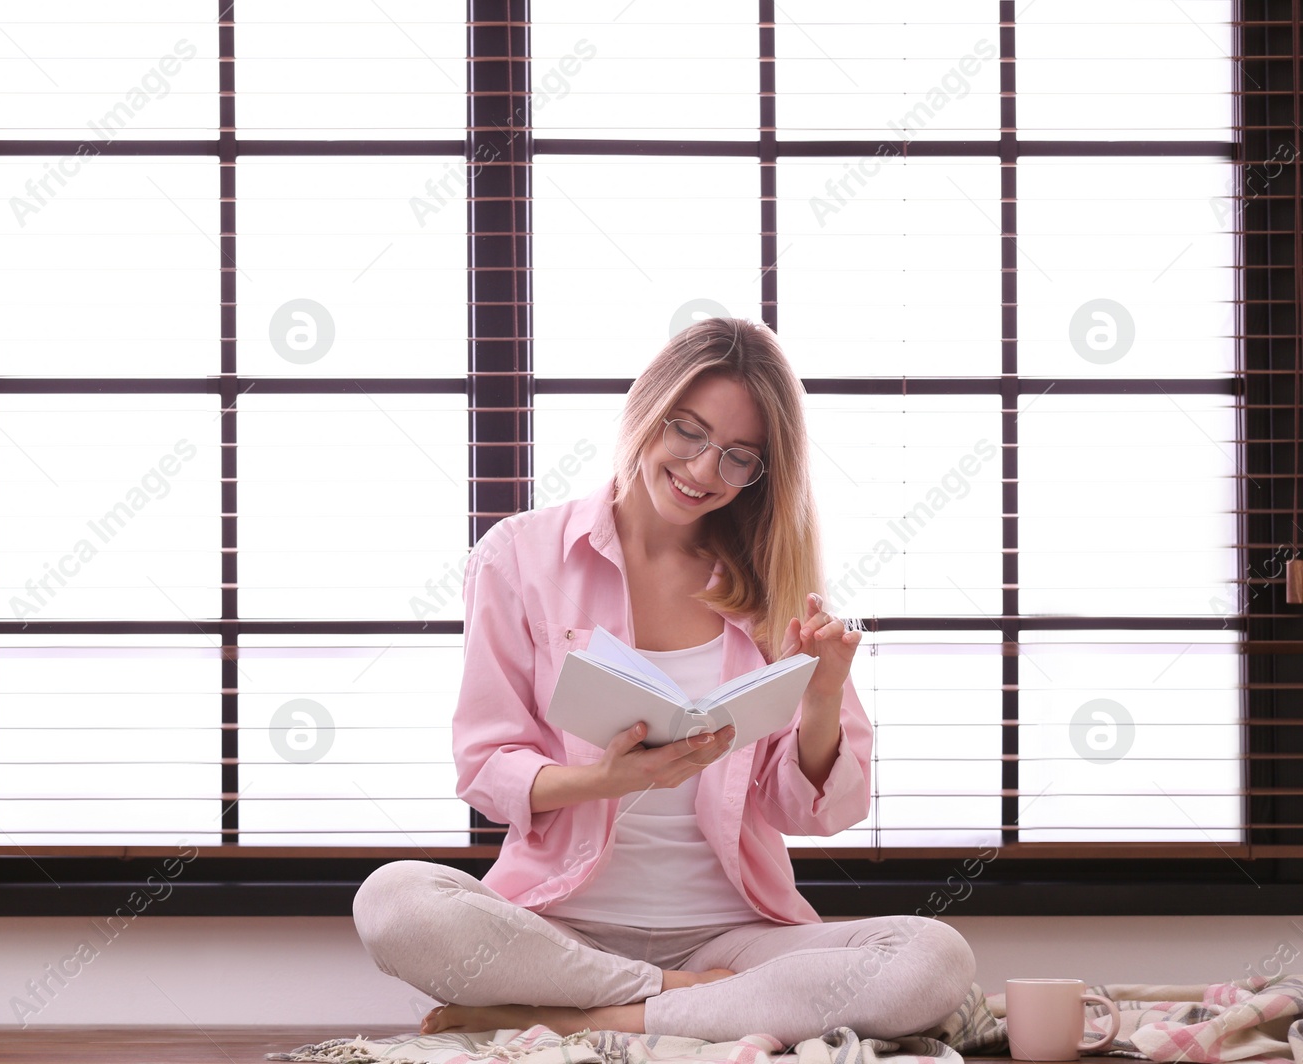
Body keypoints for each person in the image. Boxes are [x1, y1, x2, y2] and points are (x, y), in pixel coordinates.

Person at [352, 318, 975, 1045]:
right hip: (556, 932)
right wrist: (604, 779)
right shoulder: (520, 557)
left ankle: (579, 1019)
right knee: (393, 900)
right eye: (689, 431)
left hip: (733, 939)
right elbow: (486, 768)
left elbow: (813, 814)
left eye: (740, 457)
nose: (706, 471)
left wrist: (824, 696)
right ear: (649, 407)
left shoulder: (773, 588)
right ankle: (669, 1000)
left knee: (933, 958)